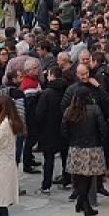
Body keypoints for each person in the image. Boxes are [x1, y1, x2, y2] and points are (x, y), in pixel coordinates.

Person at [61, 90, 106, 216]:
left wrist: (72, 140)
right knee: (89, 177)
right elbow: (102, 128)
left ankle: (81, 202)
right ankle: (85, 204)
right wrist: (100, 140)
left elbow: (63, 130)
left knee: (79, 177)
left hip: (76, 148)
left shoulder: (69, 111)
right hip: (92, 147)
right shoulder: (95, 109)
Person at [33, 65, 69, 193]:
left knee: (49, 158)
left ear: (52, 76)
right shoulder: (67, 90)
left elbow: (39, 113)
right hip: (64, 127)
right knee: (65, 155)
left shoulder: (47, 93)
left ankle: (46, 185)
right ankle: (67, 180)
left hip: (48, 129)